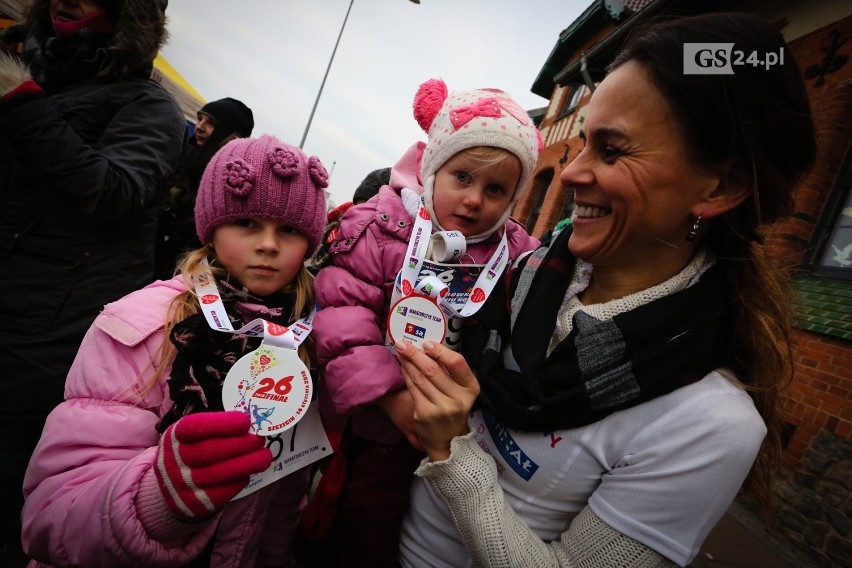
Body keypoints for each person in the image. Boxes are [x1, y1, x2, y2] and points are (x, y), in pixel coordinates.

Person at [395, 12, 816, 568]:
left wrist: (454, 452)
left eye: (613, 151)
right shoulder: (517, 274)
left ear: (722, 186)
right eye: (584, 142)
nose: (570, 175)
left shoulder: (710, 423)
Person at [21, 135, 330, 567]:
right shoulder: (143, 326)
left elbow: (280, 498)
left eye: (290, 230)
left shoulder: (305, 342)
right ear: (211, 227)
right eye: (247, 223)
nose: (268, 244)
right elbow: (49, 515)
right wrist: (158, 502)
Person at [309, 78, 542, 566]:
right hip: (379, 429)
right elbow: (341, 317)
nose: (475, 199)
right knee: (363, 532)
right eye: (462, 177)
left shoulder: (516, 253)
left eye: (495, 188)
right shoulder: (382, 226)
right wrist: (391, 399)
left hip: (459, 437)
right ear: (433, 168)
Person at [0, 0, 185, 560]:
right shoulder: (40, 69)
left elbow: (115, 189)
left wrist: (22, 105)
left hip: (46, 336)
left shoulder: (147, 104)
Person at [155, 96, 255, 279]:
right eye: (200, 118)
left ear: (230, 135)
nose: (200, 126)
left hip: (192, 274)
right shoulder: (183, 156)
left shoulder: (233, 183)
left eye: (210, 122)